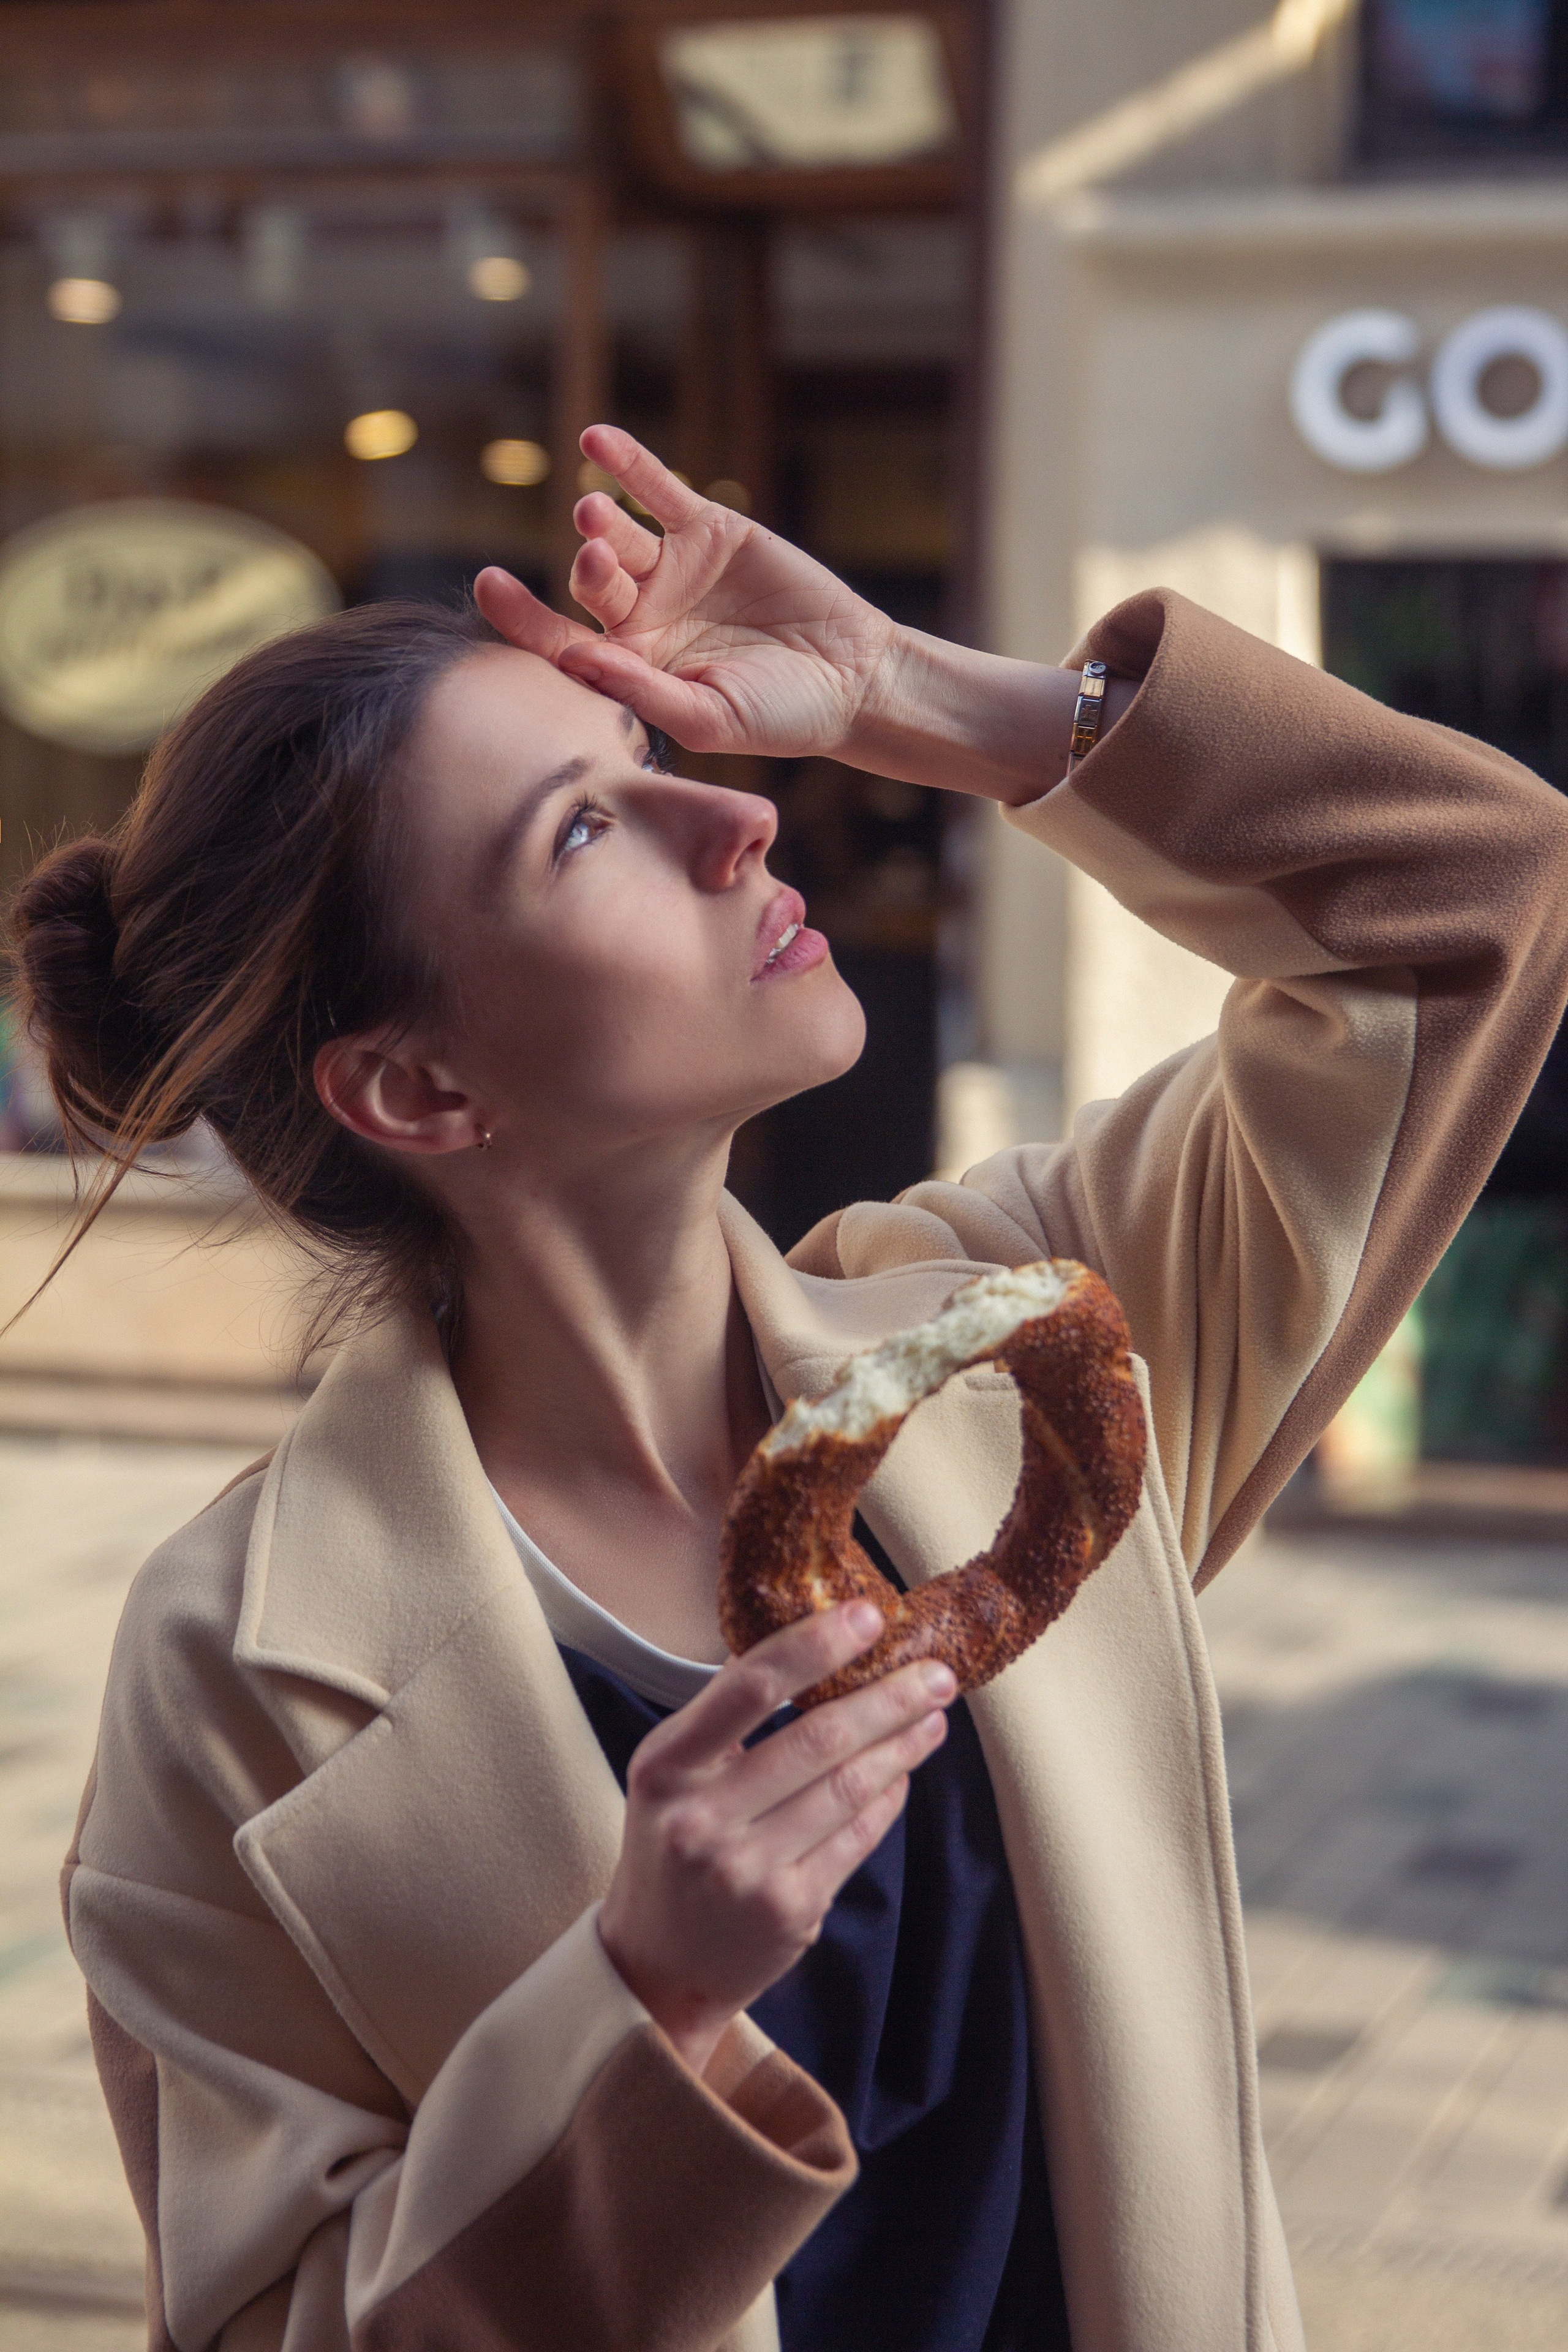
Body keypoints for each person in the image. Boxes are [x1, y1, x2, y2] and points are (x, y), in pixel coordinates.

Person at [12, 425, 1568, 2352]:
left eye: (651, 754)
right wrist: (643, 2000)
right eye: (584, 831)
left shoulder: (1014, 1337)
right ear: (418, 1088)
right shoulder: (233, 1679)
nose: (734, 820)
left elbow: (1475, 893)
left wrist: (912, 692)